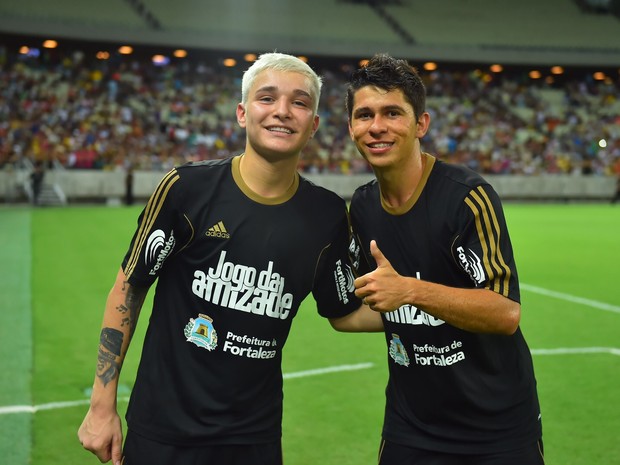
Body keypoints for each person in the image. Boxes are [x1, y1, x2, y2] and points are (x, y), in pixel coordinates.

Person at [77, 52, 381, 465]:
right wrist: (100, 405)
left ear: (313, 125)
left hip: (253, 440)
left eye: (300, 102)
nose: (282, 112)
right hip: (164, 432)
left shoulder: (326, 216)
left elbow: (344, 312)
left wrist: (427, 305)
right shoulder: (186, 188)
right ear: (242, 113)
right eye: (267, 98)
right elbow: (129, 288)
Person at [342, 54, 544, 464]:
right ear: (351, 127)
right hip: (411, 426)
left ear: (421, 124)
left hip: (496, 427)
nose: (376, 126)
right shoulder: (362, 208)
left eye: (392, 113)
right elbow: (373, 309)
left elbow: (505, 312)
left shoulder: (467, 197)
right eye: (364, 115)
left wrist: (410, 291)